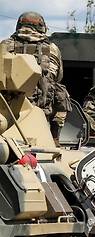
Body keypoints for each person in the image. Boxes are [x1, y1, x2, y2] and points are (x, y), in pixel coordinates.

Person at [2, 11, 71, 140]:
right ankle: (55, 138)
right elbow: (58, 77)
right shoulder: (52, 48)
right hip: (41, 113)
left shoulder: (5, 45)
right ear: (41, 27)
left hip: (8, 114)